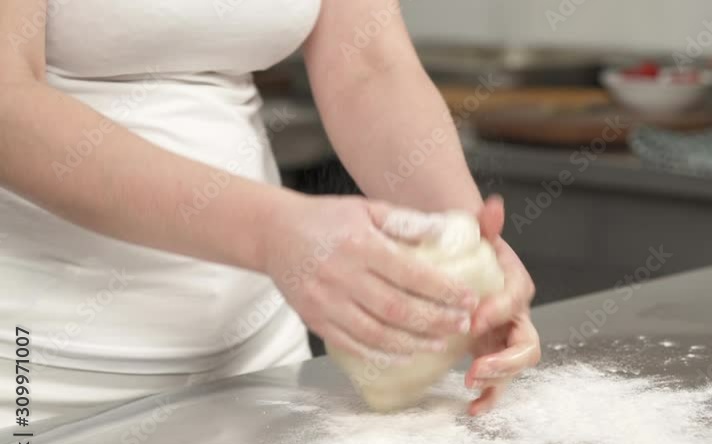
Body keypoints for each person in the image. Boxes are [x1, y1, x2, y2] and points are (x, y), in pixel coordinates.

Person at [0, 0, 540, 421]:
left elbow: (367, 63)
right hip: (45, 376)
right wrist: (270, 232)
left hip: (260, 361)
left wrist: (470, 249)